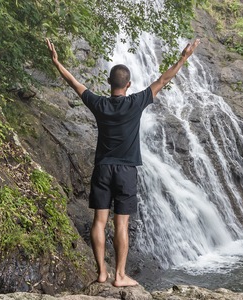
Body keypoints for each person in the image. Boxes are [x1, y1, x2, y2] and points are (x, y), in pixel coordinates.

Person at [46, 37, 200, 287]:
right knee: (122, 224)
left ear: (108, 83)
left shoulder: (98, 104)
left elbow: (75, 83)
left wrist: (57, 63)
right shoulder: (135, 102)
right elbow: (163, 80)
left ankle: (101, 273)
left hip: (103, 169)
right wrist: (184, 57)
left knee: (99, 221)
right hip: (126, 171)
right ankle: (120, 276)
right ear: (128, 85)